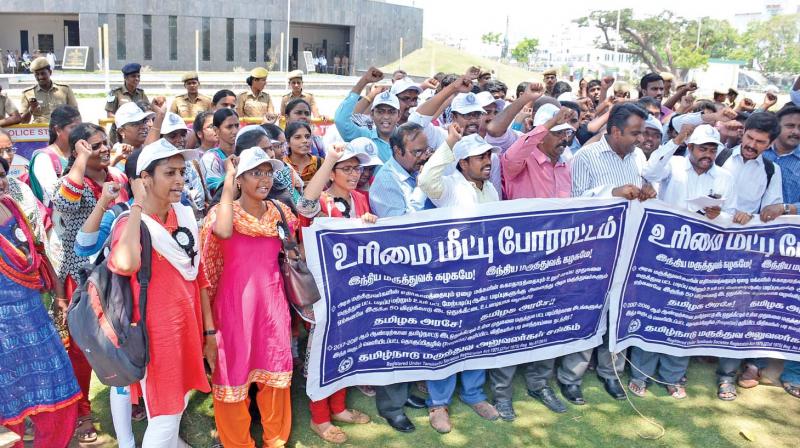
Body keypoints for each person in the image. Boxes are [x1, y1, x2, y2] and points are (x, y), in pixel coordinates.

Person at [108, 138, 211, 447]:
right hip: (156, 335)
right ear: (145, 179)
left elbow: (199, 276)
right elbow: (125, 264)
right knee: (165, 411)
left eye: (182, 171)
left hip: (186, 327)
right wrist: (137, 204)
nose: (180, 179)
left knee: (175, 403)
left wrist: (209, 330)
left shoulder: (184, 215)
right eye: (170, 173)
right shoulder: (130, 222)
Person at [201, 147, 294, 447]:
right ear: (240, 179)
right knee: (231, 379)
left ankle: (276, 440)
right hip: (232, 311)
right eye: (256, 173)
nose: (264, 179)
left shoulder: (280, 213)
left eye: (268, 172)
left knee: (276, 377)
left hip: (272, 308)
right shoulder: (222, 215)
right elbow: (223, 235)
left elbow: (304, 222)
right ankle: (236, 443)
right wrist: (228, 181)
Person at [566, 103, 656, 405]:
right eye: (634, 133)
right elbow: (576, 202)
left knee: (620, 312)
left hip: (630, 247)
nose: (640, 139)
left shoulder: (639, 156)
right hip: (594, 249)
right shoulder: (586, 157)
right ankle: (571, 378)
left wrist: (648, 190)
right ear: (615, 131)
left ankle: (612, 373)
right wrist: (613, 192)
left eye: (641, 132)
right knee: (589, 313)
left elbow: (644, 187)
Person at [638, 125, 737, 399]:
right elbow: (650, 173)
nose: (708, 154)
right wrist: (677, 140)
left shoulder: (725, 177)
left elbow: (732, 216)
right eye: (703, 148)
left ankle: (672, 376)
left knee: (685, 318)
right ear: (691, 148)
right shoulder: (675, 164)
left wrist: (719, 216)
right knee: (654, 311)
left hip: (700, 257)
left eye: (713, 149)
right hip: (664, 252)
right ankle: (641, 374)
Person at [417, 130, 501, 432]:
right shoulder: (450, 185)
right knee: (446, 337)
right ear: (462, 163)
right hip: (450, 276)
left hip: (483, 274)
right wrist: (450, 142)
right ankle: (438, 403)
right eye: (480, 157)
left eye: (488, 155)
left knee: (477, 335)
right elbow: (426, 181)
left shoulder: (490, 188)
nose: (487, 161)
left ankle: (474, 394)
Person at [52, 123, 130, 443]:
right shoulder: (74, 183)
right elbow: (66, 203)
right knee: (83, 350)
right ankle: (83, 411)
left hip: (117, 275)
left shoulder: (118, 178)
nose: (103, 149)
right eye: (94, 146)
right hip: (82, 278)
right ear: (78, 151)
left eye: (104, 143)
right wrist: (81, 159)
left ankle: (129, 398)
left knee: (121, 339)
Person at [295, 145, 375, 443]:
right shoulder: (322, 201)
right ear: (332, 172)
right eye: (348, 168)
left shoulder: (361, 199)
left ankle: (339, 407)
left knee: (347, 348)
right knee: (322, 352)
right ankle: (320, 418)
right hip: (323, 290)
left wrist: (371, 223)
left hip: (354, 291)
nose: (355, 174)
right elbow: (304, 205)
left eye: (358, 169)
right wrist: (329, 160)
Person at [0, 156, 82, 448]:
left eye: (1, 175)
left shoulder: (13, 206)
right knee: (8, 415)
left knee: (60, 400)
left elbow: (39, 251)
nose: (0, 183)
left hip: (34, 316)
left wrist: (59, 294)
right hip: (3, 330)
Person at [368, 123, 431, 432]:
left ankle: (404, 393)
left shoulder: (420, 174)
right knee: (395, 340)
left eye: (425, 150)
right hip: (396, 275)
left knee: (413, 338)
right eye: (417, 151)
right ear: (396, 151)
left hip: (423, 272)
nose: (423, 156)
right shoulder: (386, 180)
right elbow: (400, 231)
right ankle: (391, 407)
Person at [334, 67, 401, 163]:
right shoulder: (364, 136)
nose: (386, 117)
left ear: (399, 115)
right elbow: (341, 120)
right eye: (380, 111)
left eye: (391, 112)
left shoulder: (406, 139)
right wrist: (364, 80)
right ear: (372, 114)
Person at [20, 57, 78, 124]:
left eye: (43, 73)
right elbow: (23, 122)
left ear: (50, 72)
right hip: (39, 131)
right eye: (37, 74)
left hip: (61, 130)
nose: (40, 77)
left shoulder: (65, 89)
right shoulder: (27, 93)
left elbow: (75, 114)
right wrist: (31, 110)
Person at [202, 108, 240, 195]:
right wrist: (233, 173)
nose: (235, 131)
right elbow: (215, 191)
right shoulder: (210, 158)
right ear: (216, 130)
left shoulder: (244, 154)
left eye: (237, 126)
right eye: (229, 127)